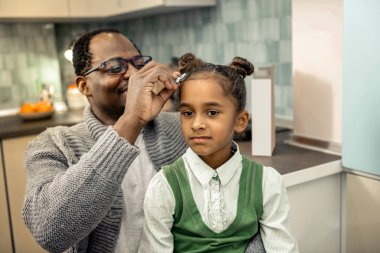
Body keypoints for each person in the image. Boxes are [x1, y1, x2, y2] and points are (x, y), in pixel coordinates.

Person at [22, 28, 188, 253]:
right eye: (114, 67)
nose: (132, 74)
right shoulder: (53, 145)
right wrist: (132, 120)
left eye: (137, 63)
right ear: (84, 86)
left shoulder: (182, 126)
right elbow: (50, 232)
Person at [139, 53, 299, 253]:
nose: (197, 124)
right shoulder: (164, 186)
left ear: (240, 121)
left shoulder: (267, 182)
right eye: (187, 113)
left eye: (212, 113)